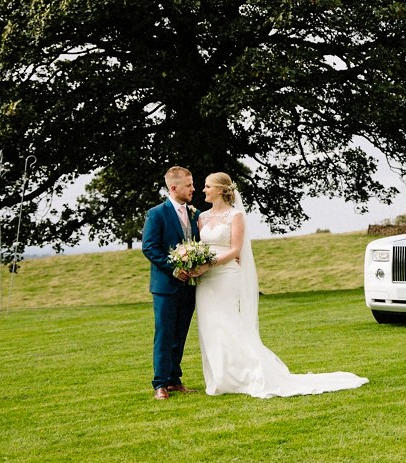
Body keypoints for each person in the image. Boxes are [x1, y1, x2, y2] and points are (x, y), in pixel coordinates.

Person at [193, 172, 368, 398]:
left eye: (207, 186)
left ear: (220, 189)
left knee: (228, 324)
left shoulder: (235, 216)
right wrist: (196, 262)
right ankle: (220, 378)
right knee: (210, 326)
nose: (203, 190)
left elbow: (236, 249)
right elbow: (200, 246)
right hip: (206, 281)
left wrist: (210, 264)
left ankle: (250, 374)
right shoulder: (202, 217)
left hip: (226, 275)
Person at [141, 165, 201, 400]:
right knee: (165, 334)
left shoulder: (195, 214)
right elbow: (149, 248)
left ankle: (175, 379)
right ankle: (160, 383)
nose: (193, 189)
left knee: (181, 333)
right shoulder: (156, 213)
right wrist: (173, 268)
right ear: (174, 187)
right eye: (189, 185)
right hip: (165, 287)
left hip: (189, 286)